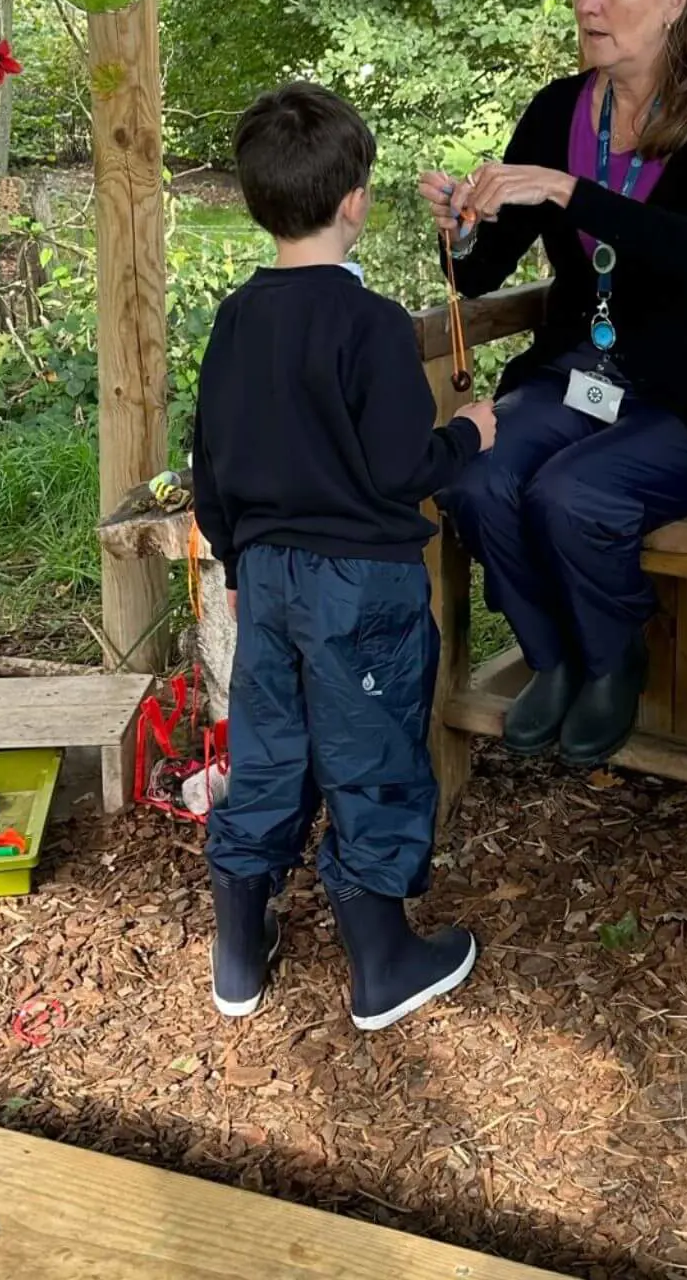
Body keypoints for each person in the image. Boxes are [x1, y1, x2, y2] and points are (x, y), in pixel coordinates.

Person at [419, 0, 687, 767]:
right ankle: (554, 660)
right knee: (479, 476)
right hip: (576, 376)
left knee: (572, 495)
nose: (586, 3)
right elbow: (478, 275)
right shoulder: (557, 108)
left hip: (684, 403)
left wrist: (570, 193)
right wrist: (459, 229)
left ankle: (613, 665)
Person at [194, 82, 497, 1030]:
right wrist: (472, 437)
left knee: (270, 752)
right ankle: (381, 963)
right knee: (370, 757)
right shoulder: (371, 325)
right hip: (361, 585)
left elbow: (214, 460)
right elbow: (404, 465)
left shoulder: (238, 318)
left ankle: (239, 957)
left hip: (270, 577)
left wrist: (241, 568)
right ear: (355, 199)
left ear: (259, 201)